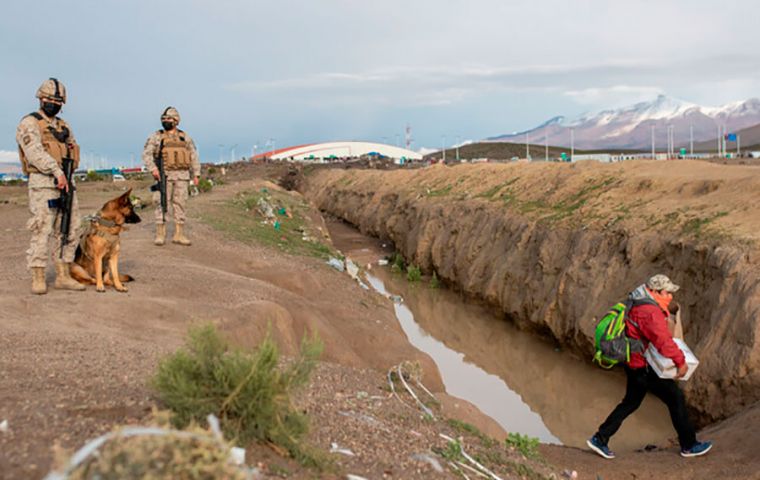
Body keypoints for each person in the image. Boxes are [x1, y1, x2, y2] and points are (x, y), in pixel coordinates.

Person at [587, 274, 712, 459]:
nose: (670, 297)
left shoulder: (637, 299)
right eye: (667, 293)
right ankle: (689, 445)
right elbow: (663, 342)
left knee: (630, 403)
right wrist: (681, 362)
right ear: (654, 291)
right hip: (643, 367)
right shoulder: (650, 312)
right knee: (675, 398)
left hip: (635, 363)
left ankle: (600, 438)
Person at [16, 78, 85, 294]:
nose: (53, 103)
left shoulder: (64, 126)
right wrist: (55, 171)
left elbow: (73, 150)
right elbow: (34, 153)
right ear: (40, 99)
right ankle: (38, 276)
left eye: (58, 101)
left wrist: (67, 167)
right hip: (43, 183)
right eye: (50, 99)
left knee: (70, 228)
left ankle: (63, 275)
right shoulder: (29, 123)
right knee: (42, 229)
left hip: (66, 182)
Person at [141, 106, 200, 246]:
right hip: (164, 175)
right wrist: (153, 169)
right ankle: (160, 234)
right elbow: (147, 154)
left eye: (169, 119)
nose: (166, 121)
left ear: (176, 121)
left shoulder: (184, 137)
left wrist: (196, 174)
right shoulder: (157, 136)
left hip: (182, 176)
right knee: (162, 203)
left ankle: (179, 235)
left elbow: (193, 156)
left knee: (180, 204)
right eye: (164, 119)